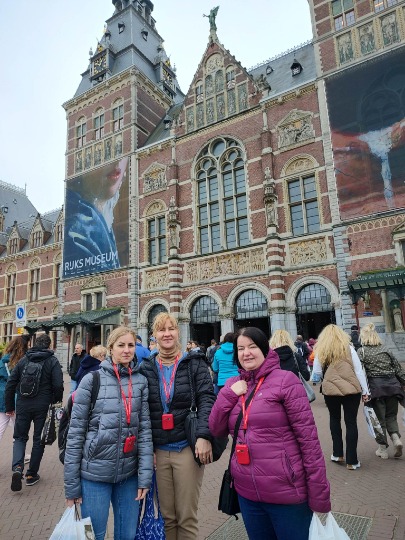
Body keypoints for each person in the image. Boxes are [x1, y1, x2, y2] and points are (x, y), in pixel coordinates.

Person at [209, 327, 330, 540]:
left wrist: (319, 493)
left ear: (265, 349)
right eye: (241, 348)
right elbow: (216, 428)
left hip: (286, 492)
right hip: (247, 492)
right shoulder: (233, 385)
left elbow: (309, 441)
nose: (246, 353)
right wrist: (228, 394)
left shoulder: (286, 381)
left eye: (252, 347)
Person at [64, 326, 153, 540]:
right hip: (94, 474)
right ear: (111, 348)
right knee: (94, 535)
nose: (126, 350)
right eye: (121, 345)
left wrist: (144, 477)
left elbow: (144, 431)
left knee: (127, 535)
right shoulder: (91, 380)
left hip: (129, 474)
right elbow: (75, 434)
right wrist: (72, 486)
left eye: (130, 345)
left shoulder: (140, 381)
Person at [139, 312, 215, 540]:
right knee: (167, 517)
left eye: (171, 328)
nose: (167, 334)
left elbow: (207, 399)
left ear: (178, 332)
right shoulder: (146, 367)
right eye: (161, 330)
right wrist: (147, 450)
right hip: (159, 452)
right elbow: (142, 411)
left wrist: (204, 436)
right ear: (154, 335)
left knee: (186, 517)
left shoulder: (194, 363)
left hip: (186, 448)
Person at [5, 334, 64, 490]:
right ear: (49, 345)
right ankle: (31, 475)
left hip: (23, 404)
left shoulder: (24, 360)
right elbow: (58, 385)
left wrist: (9, 406)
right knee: (39, 439)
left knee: (19, 437)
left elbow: (11, 383)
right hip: (42, 406)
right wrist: (56, 402)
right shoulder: (52, 361)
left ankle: (18, 468)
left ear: (34, 343)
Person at [313, 324, 370, 470]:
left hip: (330, 391)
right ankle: (352, 461)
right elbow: (358, 371)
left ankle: (338, 454)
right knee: (351, 422)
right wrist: (365, 391)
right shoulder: (349, 348)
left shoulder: (321, 350)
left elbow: (317, 372)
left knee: (334, 419)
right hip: (351, 390)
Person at [64, 157, 129, 278]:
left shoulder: (101, 220)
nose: (117, 159)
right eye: (104, 151)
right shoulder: (79, 229)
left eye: (121, 151)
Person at [358, 323, 405, 459]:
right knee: (391, 416)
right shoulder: (386, 349)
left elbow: (360, 372)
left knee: (379, 420)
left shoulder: (362, 351)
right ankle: (396, 439)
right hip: (393, 387)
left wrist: (362, 390)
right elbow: (397, 368)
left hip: (376, 389)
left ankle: (383, 449)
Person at [0, 335, 30, 445]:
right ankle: (18, 452)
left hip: (2, 396)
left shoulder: (3, 360)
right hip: (16, 397)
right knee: (18, 429)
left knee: (1, 427)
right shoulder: (22, 361)